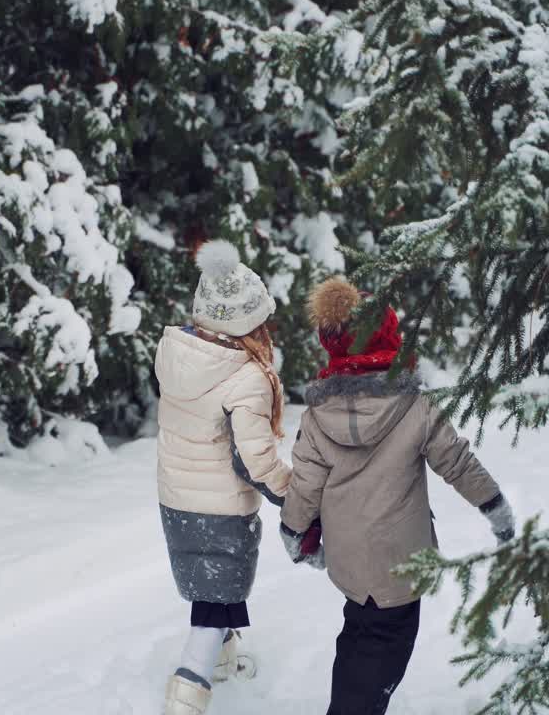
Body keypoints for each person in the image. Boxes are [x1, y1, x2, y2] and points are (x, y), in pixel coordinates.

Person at [279, 278, 517, 715]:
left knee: (358, 634)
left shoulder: (317, 415)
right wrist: (493, 504)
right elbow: (457, 461)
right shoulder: (415, 405)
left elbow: (305, 485)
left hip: (349, 559)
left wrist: (294, 532)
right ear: (389, 338)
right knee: (384, 650)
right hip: (400, 561)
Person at [154, 240, 294, 715]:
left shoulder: (178, 353)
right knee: (213, 604)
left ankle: (221, 663)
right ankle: (187, 691)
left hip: (177, 499)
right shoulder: (246, 377)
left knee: (213, 589)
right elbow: (255, 460)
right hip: (220, 508)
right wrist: (293, 492)